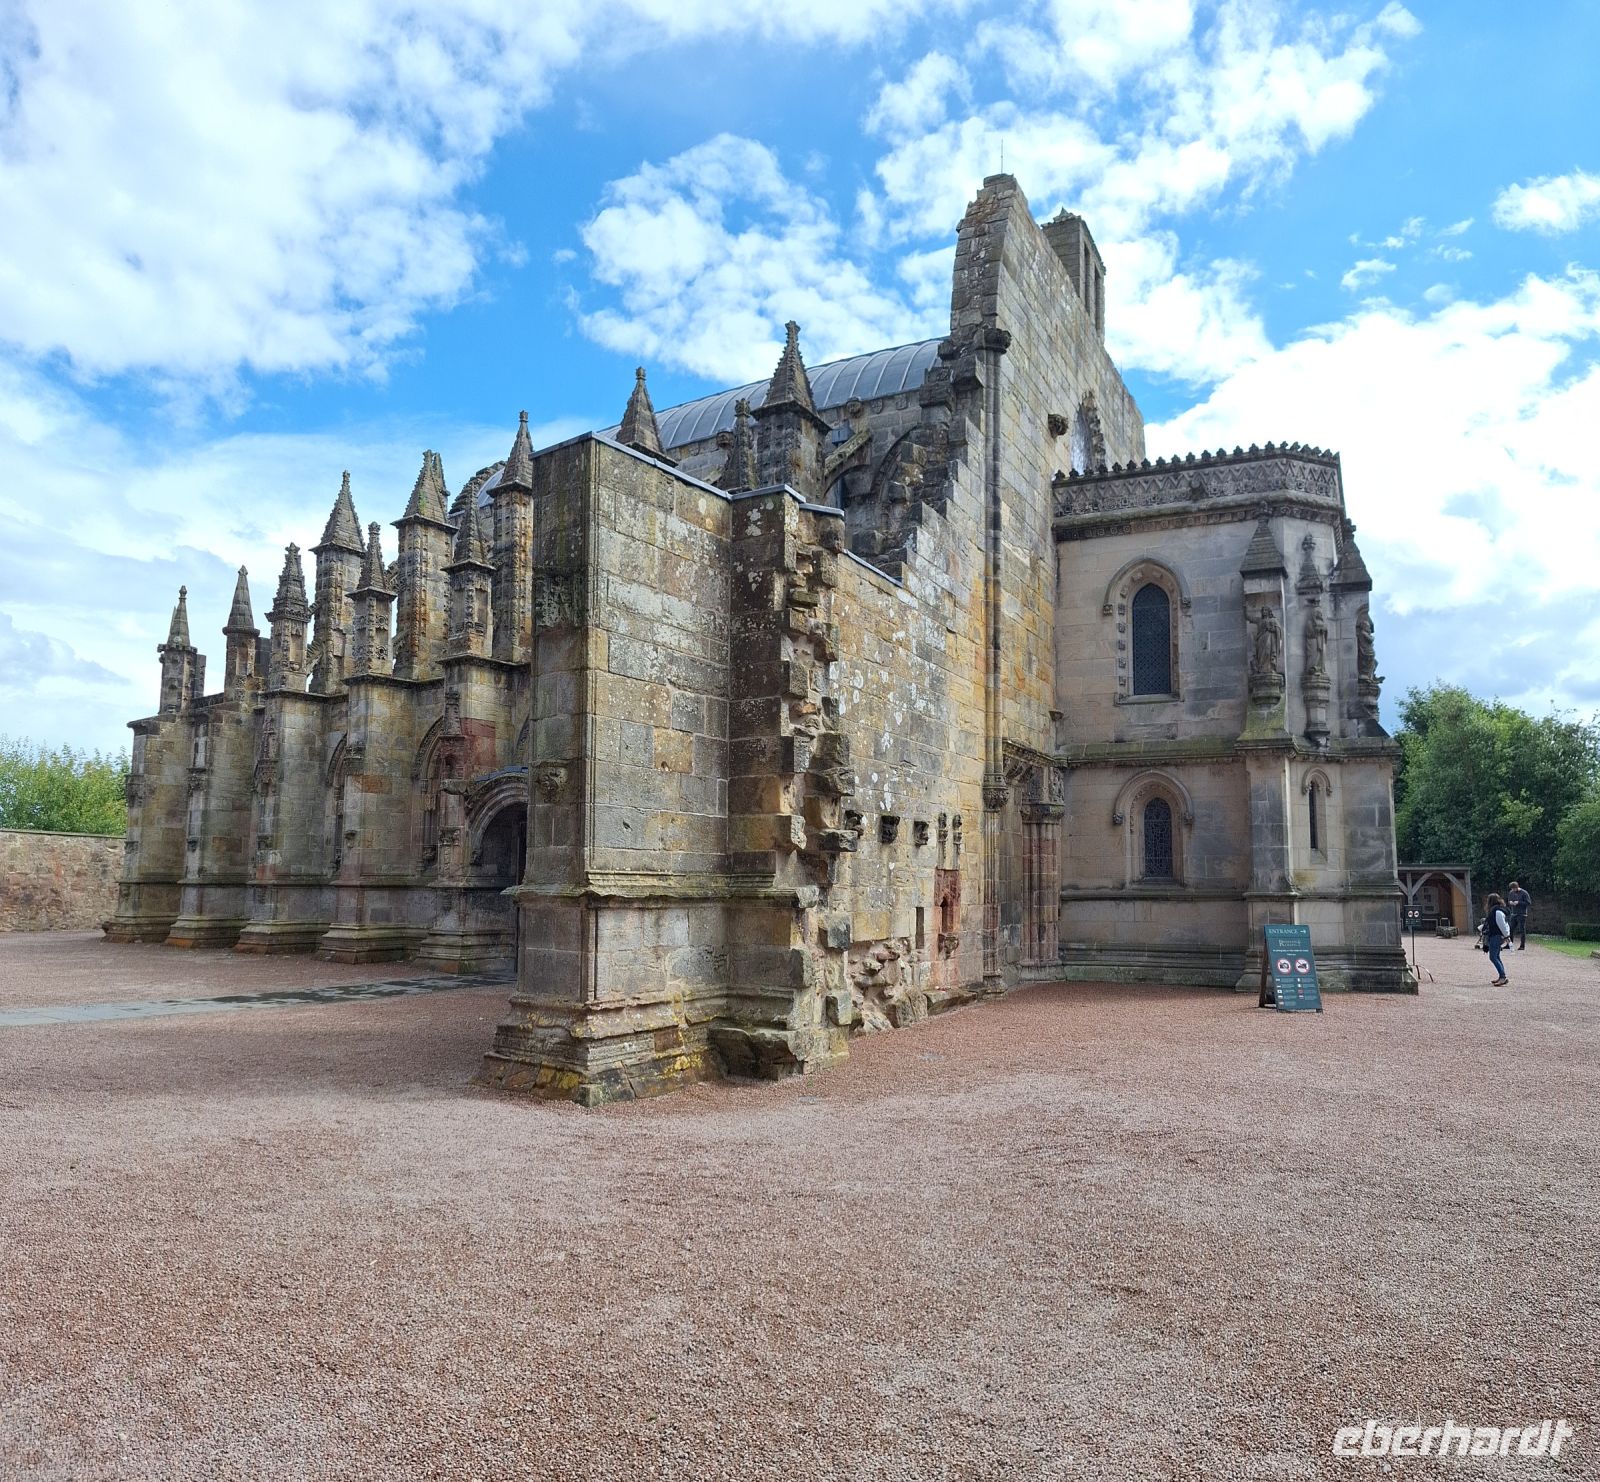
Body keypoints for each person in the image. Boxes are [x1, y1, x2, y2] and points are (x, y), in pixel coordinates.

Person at [1481, 893, 1511, 986]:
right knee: (1496, 956)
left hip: (1496, 935)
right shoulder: (1497, 910)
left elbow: (1502, 924)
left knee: (1493, 957)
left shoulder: (1497, 911)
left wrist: (1507, 936)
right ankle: (1502, 976)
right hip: (1495, 935)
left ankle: (1502, 977)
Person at [1506, 880, 1531, 949]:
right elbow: (1509, 901)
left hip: (1522, 914)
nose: (1513, 890)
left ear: (1517, 887)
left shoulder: (1524, 893)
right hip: (1513, 913)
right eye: (1512, 889)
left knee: (1522, 930)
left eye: (1514, 888)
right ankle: (1509, 944)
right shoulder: (1511, 893)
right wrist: (1510, 902)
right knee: (1510, 929)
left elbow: (1528, 903)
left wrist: (1519, 902)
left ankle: (1522, 945)